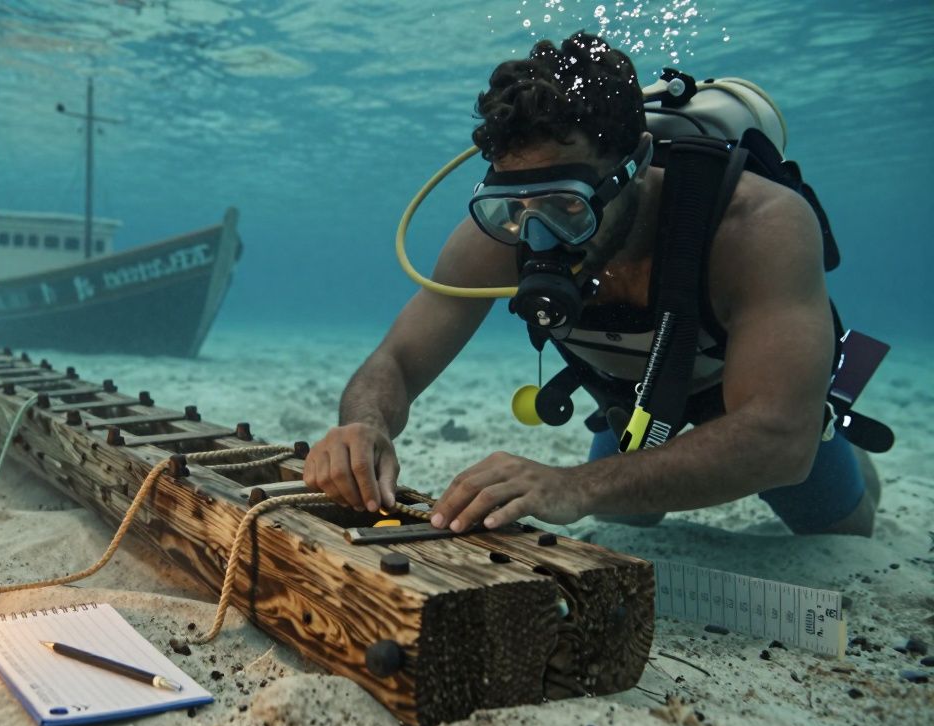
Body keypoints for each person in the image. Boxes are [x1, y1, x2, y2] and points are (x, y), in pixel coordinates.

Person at [303, 31, 881, 537]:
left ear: (638, 162)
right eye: (512, 206)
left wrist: (574, 485)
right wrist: (365, 425)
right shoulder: (503, 234)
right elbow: (397, 361)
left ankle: (841, 412)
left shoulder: (756, 225)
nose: (538, 234)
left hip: (740, 398)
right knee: (625, 516)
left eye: (567, 206)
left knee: (842, 526)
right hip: (630, 397)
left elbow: (780, 439)